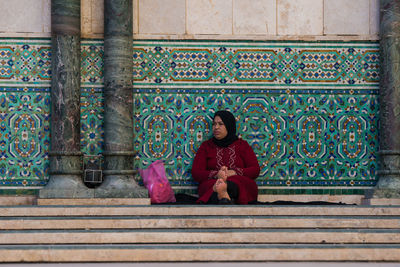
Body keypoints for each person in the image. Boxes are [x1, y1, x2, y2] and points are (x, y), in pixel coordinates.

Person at [191, 110, 260, 204]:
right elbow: (196, 172)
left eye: (221, 124)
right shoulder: (206, 146)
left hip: (237, 182)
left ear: (229, 125)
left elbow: (255, 170)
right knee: (212, 185)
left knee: (235, 183)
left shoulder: (242, 145)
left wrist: (235, 172)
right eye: (214, 124)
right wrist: (216, 174)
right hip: (213, 182)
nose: (216, 127)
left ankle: (223, 193)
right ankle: (224, 196)